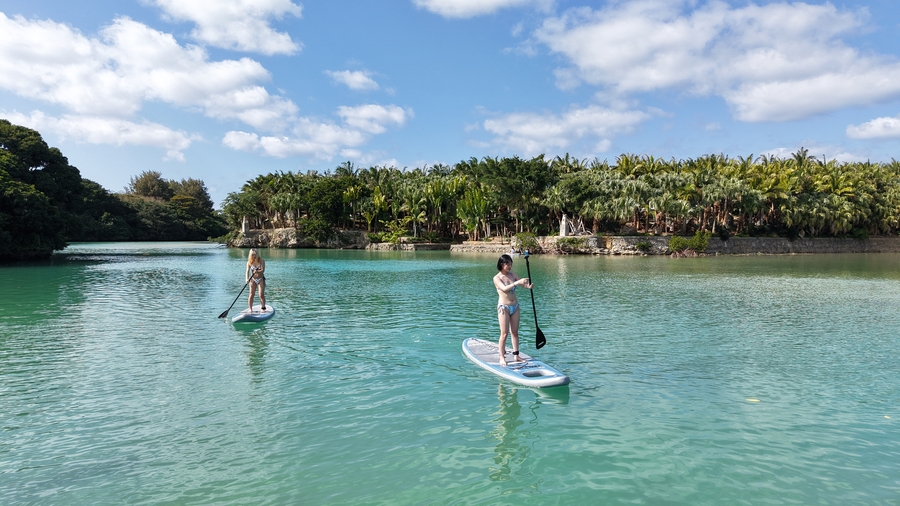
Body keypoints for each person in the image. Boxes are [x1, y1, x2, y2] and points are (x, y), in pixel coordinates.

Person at [493, 254, 532, 366]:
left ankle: (516, 355)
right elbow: (504, 288)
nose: (510, 266)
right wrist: (517, 283)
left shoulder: (513, 275)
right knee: (504, 334)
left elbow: (523, 285)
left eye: (511, 264)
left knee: (514, 332)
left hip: (515, 307)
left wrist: (528, 286)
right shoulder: (497, 278)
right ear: (501, 264)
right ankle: (502, 357)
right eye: (508, 264)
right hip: (503, 308)